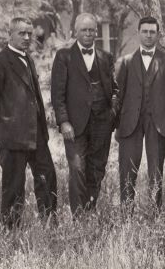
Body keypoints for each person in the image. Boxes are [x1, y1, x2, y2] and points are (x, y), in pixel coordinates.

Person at [0, 17, 57, 229]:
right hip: (12, 138)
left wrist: (40, 129)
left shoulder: (29, 59)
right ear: (10, 34)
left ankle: (49, 225)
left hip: (37, 136)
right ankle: (11, 232)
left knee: (47, 178)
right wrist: (7, 127)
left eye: (29, 34)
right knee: (14, 188)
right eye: (21, 33)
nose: (26, 37)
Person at [51, 13, 119, 217]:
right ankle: (78, 217)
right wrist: (64, 122)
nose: (88, 33)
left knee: (97, 169)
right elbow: (57, 94)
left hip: (102, 124)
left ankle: (90, 211)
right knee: (77, 169)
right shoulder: (64, 56)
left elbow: (114, 89)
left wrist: (112, 114)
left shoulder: (106, 57)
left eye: (92, 30)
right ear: (75, 32)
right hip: (75, 125)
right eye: (84, 30)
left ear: (96, 32)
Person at [116, 16, 165, 209]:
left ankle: (154, 213)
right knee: (127, 170)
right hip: (130, 123)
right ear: (139, 33)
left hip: (158, 122)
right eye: (144, 31)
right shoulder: (126, 62)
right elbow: (117, 96)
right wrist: (115, 126)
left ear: (158, 35)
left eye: (152, 32)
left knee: (156, 171)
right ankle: (126, 213)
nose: (148, 35)